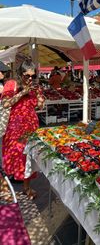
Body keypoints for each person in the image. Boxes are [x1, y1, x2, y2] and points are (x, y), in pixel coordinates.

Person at [1, 57, 45, 199]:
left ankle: (27, 187)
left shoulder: (35, 86)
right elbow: (6, 104)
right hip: (14, 129)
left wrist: (39, 96)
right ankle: (5, 190)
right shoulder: (11, 84)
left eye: (33, 76)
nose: (30, 79)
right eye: (27, 76)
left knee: (28, 159)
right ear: (21, 74)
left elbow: (40, 106)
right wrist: (22, 92)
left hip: (31, 128)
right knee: (13, 158)